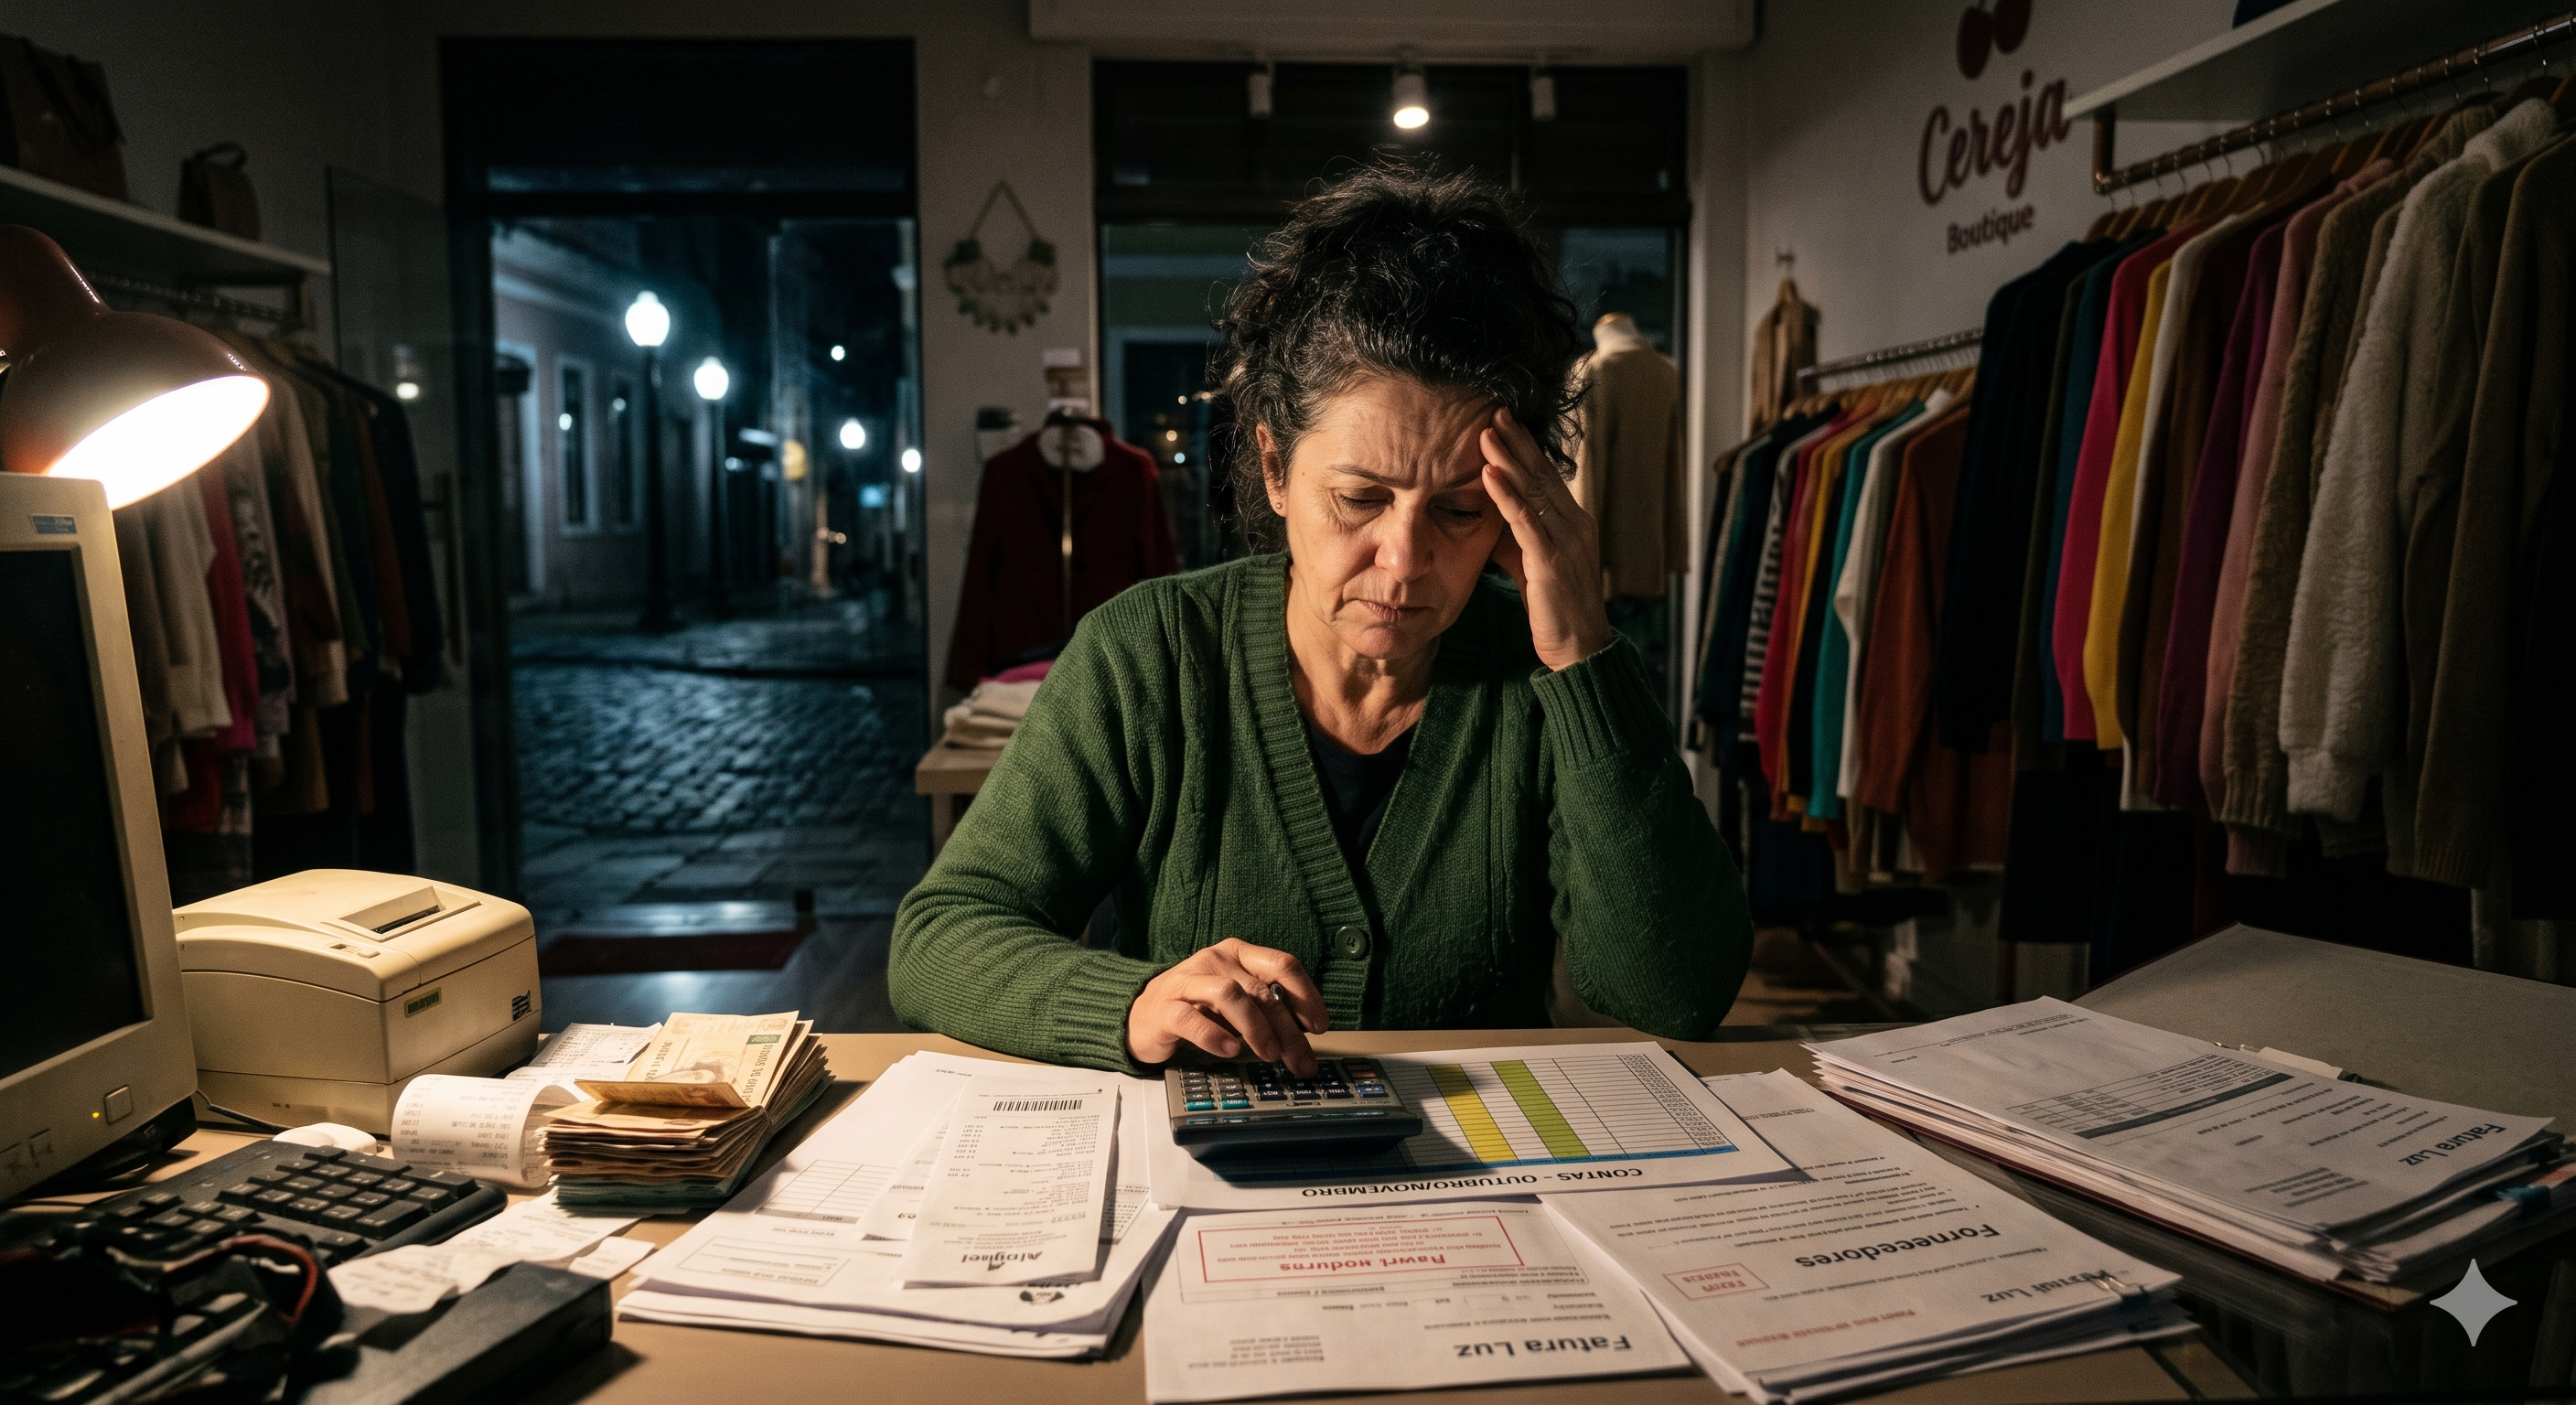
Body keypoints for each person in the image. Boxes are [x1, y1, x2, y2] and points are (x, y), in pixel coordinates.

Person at [890, 166, 1753, 1075]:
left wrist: (1584, 652)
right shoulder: (1149, 654)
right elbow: (940, 936)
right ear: (1273, 469)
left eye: (1459, 512)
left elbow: (1676, 993)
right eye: (1357, 499)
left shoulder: (1551, 683)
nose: (1403, 563)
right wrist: (1134, 1003)